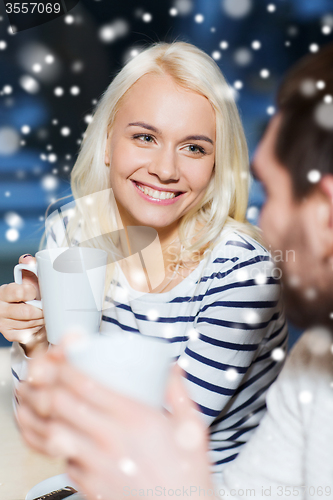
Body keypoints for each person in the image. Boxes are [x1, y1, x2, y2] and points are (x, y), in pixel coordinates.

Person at [2, 42, 287, 483]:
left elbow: (159, 438)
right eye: (145, 137)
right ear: (107, 143)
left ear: (215, 165)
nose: (165, 169)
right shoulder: (71, 230)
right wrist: (33, 344)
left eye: (193, 148)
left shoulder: (243, 273)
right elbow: (45, 428)